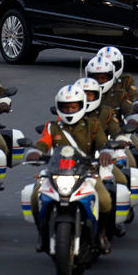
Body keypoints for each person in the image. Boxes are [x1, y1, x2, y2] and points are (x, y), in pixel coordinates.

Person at [25, 85, 119, 253]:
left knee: (105, 201)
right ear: (59, 107)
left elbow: (104, 144)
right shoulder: (52, 127)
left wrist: (106, 153)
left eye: (74, 107)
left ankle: (101, 234)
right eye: (65, 107)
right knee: (34, 197)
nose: (70, 110)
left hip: (87, 172)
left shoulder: (94, 125)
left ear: (81, 106)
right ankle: (42, 234)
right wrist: (35, 152)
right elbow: (43, 142)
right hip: (56, 172)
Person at [97, 46, 138, 119]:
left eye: (113, 65)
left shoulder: (126, 80)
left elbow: (133, 97)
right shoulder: (92, 83)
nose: (110, 68)